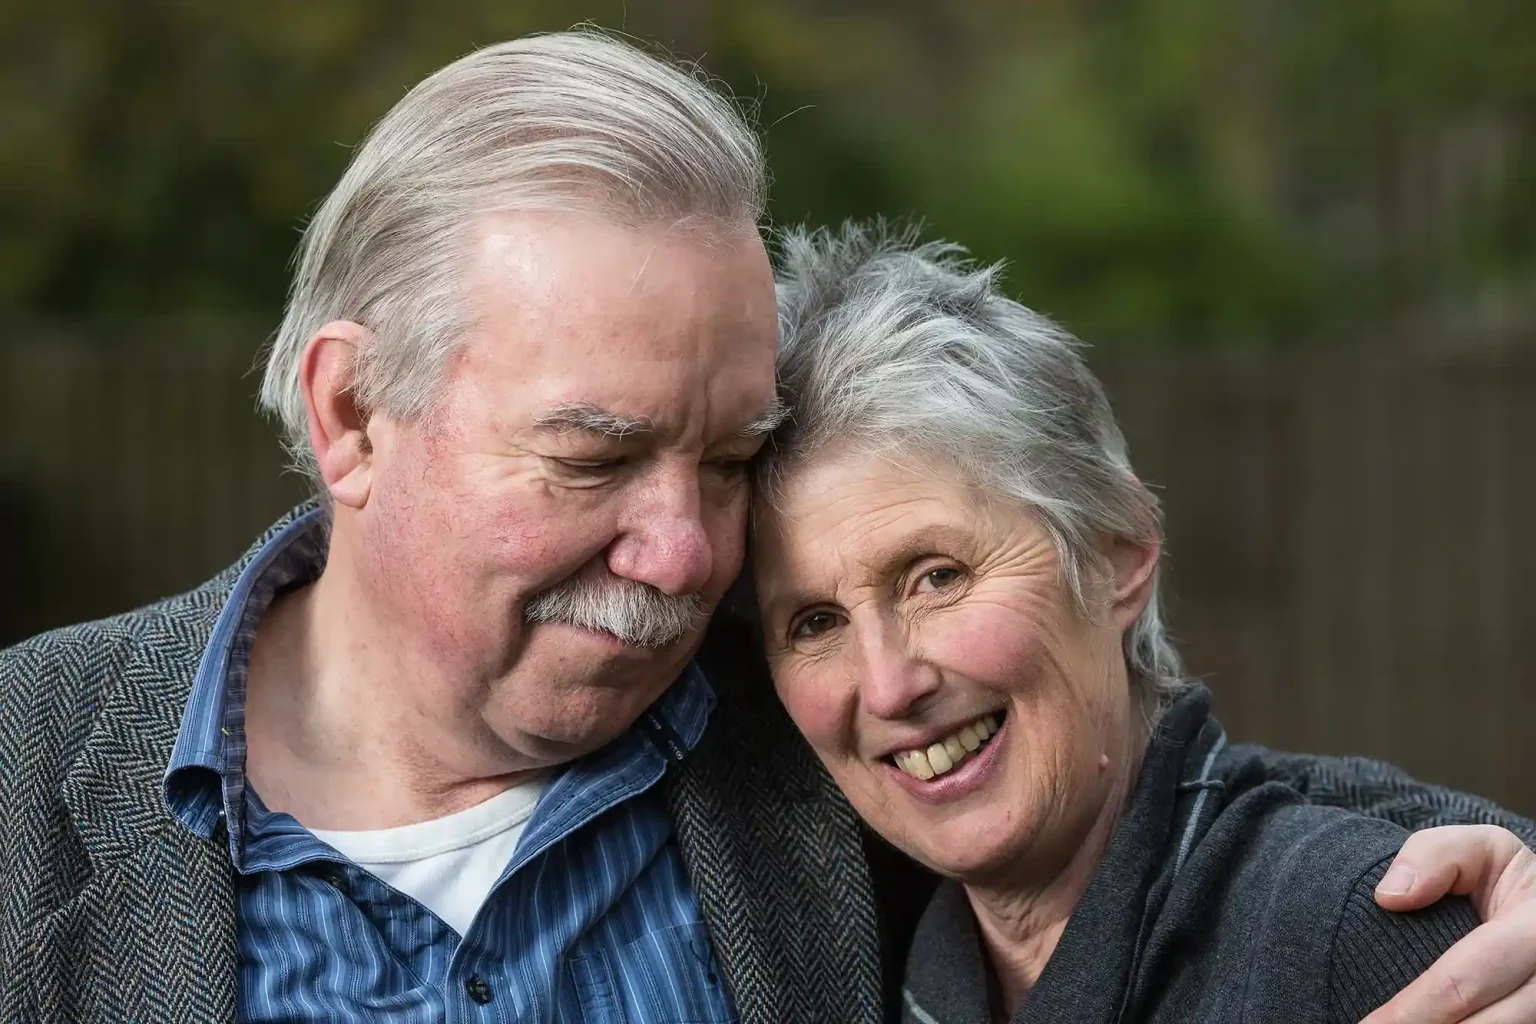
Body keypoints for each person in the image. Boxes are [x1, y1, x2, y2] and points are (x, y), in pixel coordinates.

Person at [1, 30, 1534, 1024]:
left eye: (728, 460)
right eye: (593, 461)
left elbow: (1161, 812)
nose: (684, 558)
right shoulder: (27, 781)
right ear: (350, 419)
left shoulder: (805, 742)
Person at [750, 223, 1536, 1023]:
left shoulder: (1373, 939)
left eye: (936, 578)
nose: (888, 685)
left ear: (1119, 555)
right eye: (814, 623)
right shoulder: (869, 959)